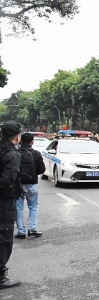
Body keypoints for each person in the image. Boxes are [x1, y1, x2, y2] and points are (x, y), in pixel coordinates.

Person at [0, 121, 23, 288]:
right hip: (4, 201)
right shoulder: (12, 154)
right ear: (17, 136)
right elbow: (7, 181)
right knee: (4, 236)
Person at [15, 133, 46, 239]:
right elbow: (42, 169)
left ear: (20, 141)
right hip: (32, 183)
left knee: (18, 208)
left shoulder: (16, 153)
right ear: (32, 142)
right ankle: (32, 230)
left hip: (18, 184)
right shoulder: (36, 154)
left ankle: (21, 232)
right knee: (33, 207)